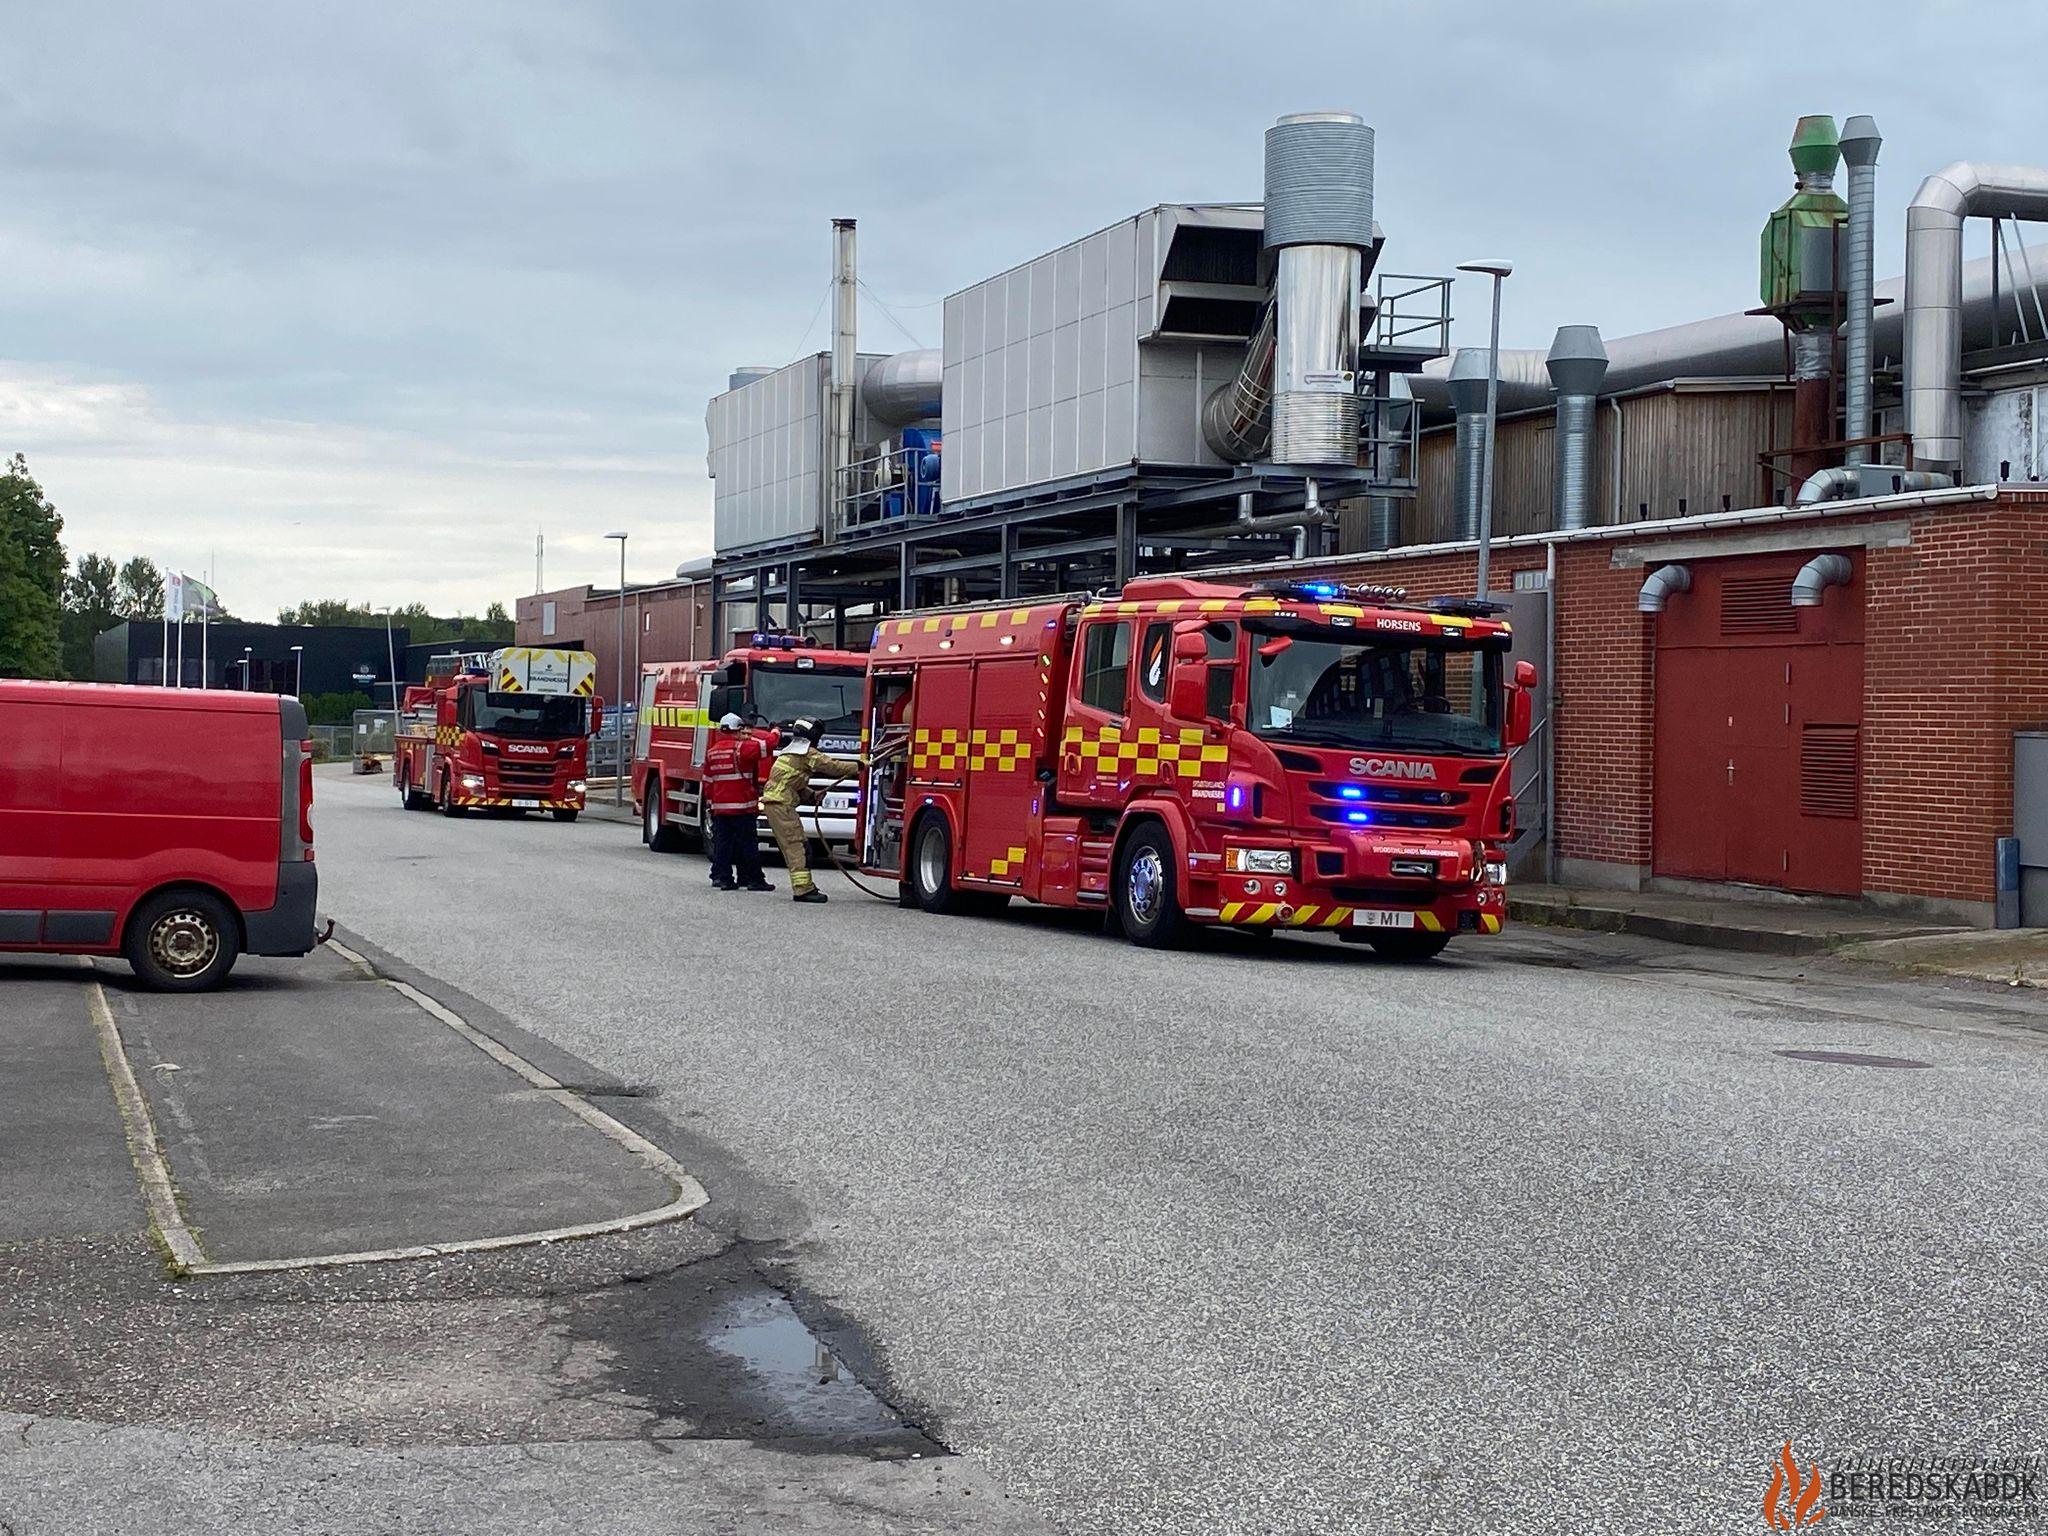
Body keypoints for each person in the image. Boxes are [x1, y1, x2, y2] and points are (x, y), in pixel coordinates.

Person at [760, 716, 859, 904]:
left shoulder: (789, 753)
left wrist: (812, 796)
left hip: (778, 804)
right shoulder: (806, 753)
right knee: (796, 846)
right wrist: (860, 765)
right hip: (781, 806)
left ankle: (806, 887)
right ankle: (802, 890)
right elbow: (832, 767)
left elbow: (791, 784)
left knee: (801, 846)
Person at [702, 713, 774, 893]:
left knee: (722, 845)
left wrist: (711, 805)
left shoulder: (712, 752)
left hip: (720, 809)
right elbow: (768, 745)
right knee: (748, 844)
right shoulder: (741, 749)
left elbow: (708, 781)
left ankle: (723, 878)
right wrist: (776, 731)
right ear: (737, 730)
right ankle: (754, 879)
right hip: (742, 808)